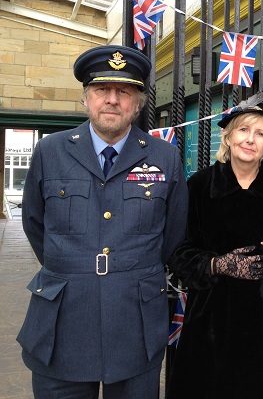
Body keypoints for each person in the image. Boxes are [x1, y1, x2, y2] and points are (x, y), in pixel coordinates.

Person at [18, 45, 188, 399]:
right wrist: (71, 265)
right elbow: (34, 223)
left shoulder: (165, 157)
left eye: (124, 92)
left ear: (137, 103)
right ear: (85, 99)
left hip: (134, 325)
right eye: (101, 90)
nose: (112, 100)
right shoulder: (51, 151)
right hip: (63, 322)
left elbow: (172, 233)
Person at [166, 103, 263, 399]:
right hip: (213, 322)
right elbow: (179, 251)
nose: (250, 139)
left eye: (260, 134)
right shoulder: (199, 186)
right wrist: (217, 264)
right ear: (228, 136)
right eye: (244, 130)